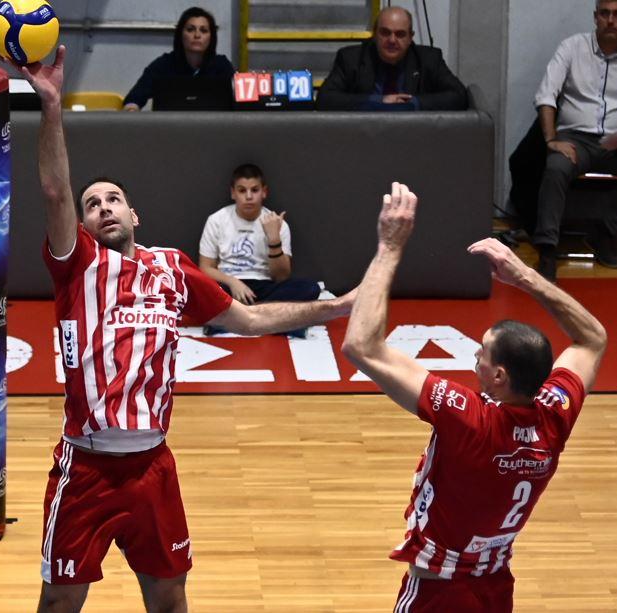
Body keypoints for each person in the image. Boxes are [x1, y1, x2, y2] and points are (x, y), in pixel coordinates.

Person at [16, 46, 355, 613]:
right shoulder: (77, 264)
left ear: (134, 216)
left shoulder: (172, 267)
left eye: (114, 199)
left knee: (171, 599)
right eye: (92, 204)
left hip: (152, 466)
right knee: (58, 604)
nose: (104, 207)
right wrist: (51, 106)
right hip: (87, 466)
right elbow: (54, 189)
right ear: (82, 223)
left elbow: (249, 319)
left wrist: (334, 308)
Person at [341, 183, 607, 612]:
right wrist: (525, 277)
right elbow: (592, 338)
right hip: (495, 588)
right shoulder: (555, 413)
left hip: (441, 594)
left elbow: (361, 346)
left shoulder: (471, 419)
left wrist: (389, 247)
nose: (474, 359)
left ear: (499, 376)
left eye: (481, 354)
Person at [529, 0, 617, 282]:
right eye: (605, 13)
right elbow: (546, 95)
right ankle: (547, 250)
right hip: (576, 138)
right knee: (556, 167)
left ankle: (609, 235)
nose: (611, 20)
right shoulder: (572, 47)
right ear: (595, 17)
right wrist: (551, 139)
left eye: (616, 14)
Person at [198, 163, 321, 317]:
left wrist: (274, 239)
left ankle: (242, 312)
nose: (249, 196)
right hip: (228, 285)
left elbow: (281, 276)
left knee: (310, 288)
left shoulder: (277, 223)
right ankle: (262, 313)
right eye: (242, 190)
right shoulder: (216, 220)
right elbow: (205, 268)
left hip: (264, 286)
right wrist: (233, 282)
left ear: (264, 192)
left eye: (255, 190)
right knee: (198, 289)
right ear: (233, 193)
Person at [316, 7, 467, 111]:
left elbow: (459, 96)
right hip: (364, 135)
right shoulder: (350, 58)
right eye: (385, 32)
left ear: (410, 38)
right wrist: (379, 101)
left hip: (414, 135)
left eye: (400, 34)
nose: (392, 40)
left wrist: (412, 103)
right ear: (375, 34)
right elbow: (325, 99)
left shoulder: (429, 59)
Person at [122, 6, 235, 111]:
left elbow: (240, 100)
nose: (197, 35)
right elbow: (134, 98)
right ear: (180, 34)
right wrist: (131, 109)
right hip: (169, 125)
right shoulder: (163, 64)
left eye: (203, 30)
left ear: (212, 37)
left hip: (212, 125)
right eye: (190, 29)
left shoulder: (222, 66)